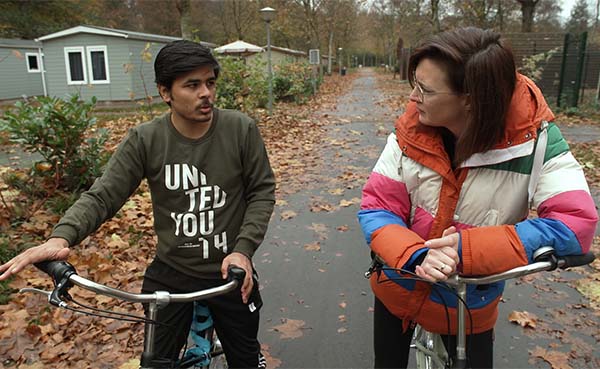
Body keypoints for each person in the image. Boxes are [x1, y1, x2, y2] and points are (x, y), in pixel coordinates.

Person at [0, 40, 275, 368]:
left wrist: (242, 251)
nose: (206, 93)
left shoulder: (240, 129)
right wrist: (61, 238)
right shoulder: (146, 139)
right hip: (173, 272)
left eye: (210, 83)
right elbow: (104, 195)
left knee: (245, 359)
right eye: (192, 85)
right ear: (165, 92)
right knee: (156, 361)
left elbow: (261, 191)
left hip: (230, 271)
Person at [358, 27, 598, 369]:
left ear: (469, 99)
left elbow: (576, 226)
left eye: (425, 90)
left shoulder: (536, 140)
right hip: (398, 286)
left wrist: (467, 250)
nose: (412, 99)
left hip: (470, 301)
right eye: (415, 84)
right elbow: (377, 207)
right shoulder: (410, 131)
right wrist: (413, 254)